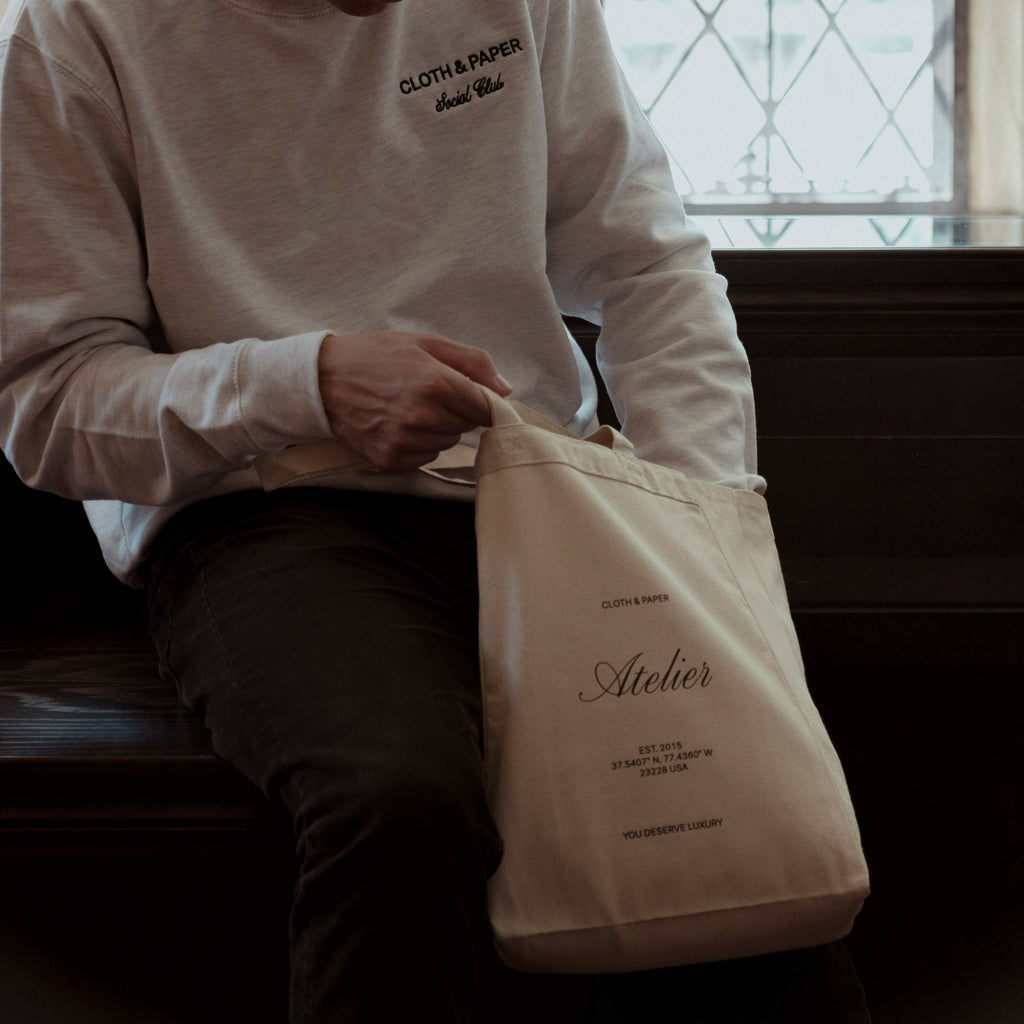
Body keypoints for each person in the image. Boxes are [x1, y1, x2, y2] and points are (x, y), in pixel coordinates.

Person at [0, 0, 869, 1020]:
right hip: (266, 512)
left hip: (546, 493)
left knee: (737, 857)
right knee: (398, 800)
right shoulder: (76, 30)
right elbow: (46, 403)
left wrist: (703, 522)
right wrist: (308, 382)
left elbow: (646, 268)